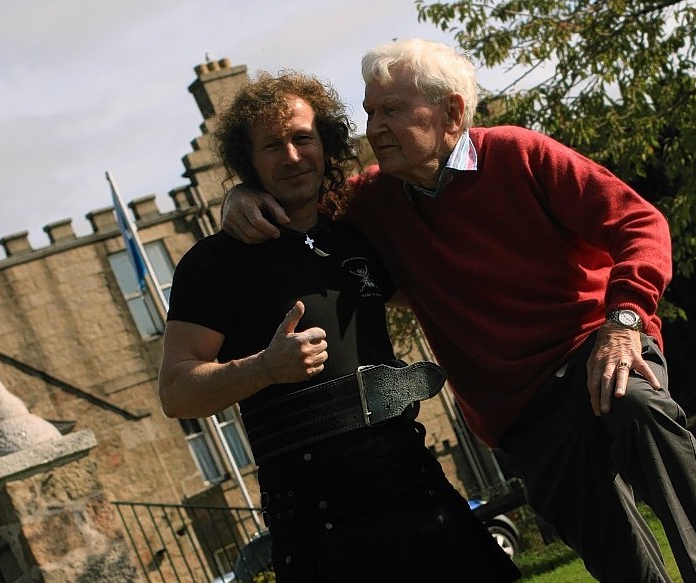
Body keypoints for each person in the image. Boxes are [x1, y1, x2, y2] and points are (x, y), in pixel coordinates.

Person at [222, 39, 696, 583]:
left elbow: (640, 225)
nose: (373, 128)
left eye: (392, 110)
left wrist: (625, 321)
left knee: (638, 407)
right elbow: (299, 197)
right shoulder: (370, 201)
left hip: (595, 348)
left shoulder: (519, 154)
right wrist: (241, 194)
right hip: (520, 411)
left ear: (451, 112)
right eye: (370, 111)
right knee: (623, 565)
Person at [158, 71, 521, 583]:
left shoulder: (361, 232)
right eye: (271, 146)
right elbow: (176, 392)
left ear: (325, 144)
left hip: (413, 483)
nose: (291, 156)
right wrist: (264, 368)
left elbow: (450, 281)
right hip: (316, 517)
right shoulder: (213, 264)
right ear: (247, 162)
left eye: (302, 138)